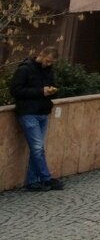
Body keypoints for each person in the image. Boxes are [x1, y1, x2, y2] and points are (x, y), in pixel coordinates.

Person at [10, 46, 63, 191]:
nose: (48, 64)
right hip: (28, 112)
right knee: (38, 147)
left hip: (42, 112)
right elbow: (15, 90)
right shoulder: (25, 69)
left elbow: (52, 87)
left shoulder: (49, 70)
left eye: (51, 62)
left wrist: (52, 91)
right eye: (47, 60)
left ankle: (32, 182)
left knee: (37, 149)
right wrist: (41, 91)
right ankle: (46, 178)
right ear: (41, 55)